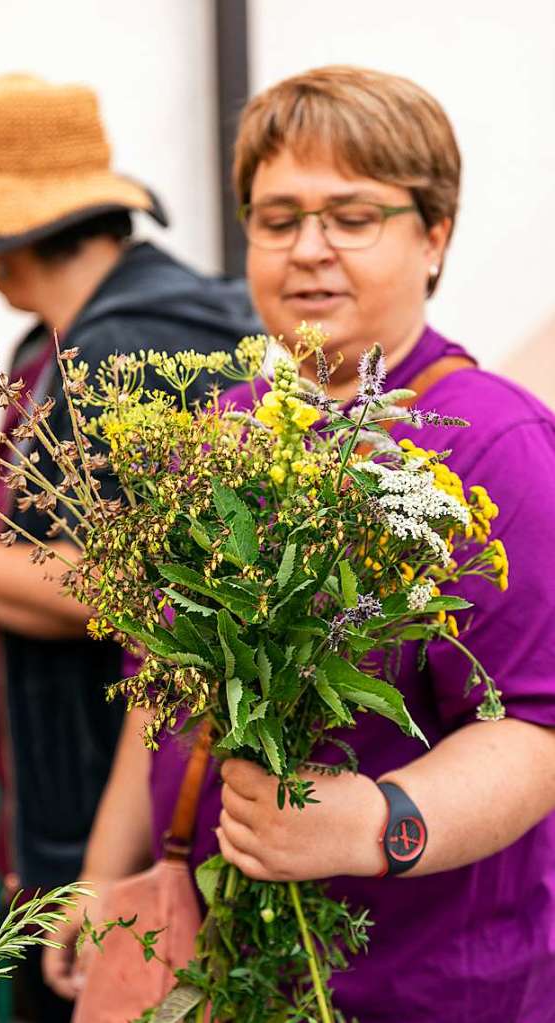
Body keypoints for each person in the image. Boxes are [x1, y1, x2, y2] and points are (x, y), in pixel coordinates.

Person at [45, 66, 555, 1022]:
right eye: (276, 219)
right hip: (220, 971)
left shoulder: (494, 445)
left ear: (433, 234)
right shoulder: (222, 430)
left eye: (352, 216)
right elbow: (161, 689)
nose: (307, 250)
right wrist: (99, 874)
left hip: (413, 982)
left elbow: (532, 730)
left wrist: (378, 821)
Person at [0, 73, 258, 1020]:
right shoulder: (63, 341)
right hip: (71, 790)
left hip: (108, 807)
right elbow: (28, 524)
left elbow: (118, 583)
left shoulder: (123, 352)